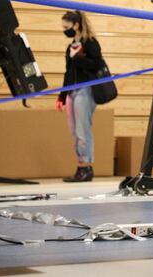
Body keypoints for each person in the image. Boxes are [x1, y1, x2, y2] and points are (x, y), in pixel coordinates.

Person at [57, 10, 104, 183]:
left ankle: (86, 167)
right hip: (72, 91)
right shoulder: (70, 46)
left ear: (76, 25)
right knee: (74, 132)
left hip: (86, 90)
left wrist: (78, 58)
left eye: (67, 27)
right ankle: (80, 166)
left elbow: (97, 64)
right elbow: (67, 72)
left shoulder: (90, 43)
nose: (65, 30)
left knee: (83, 131)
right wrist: (61, 96)